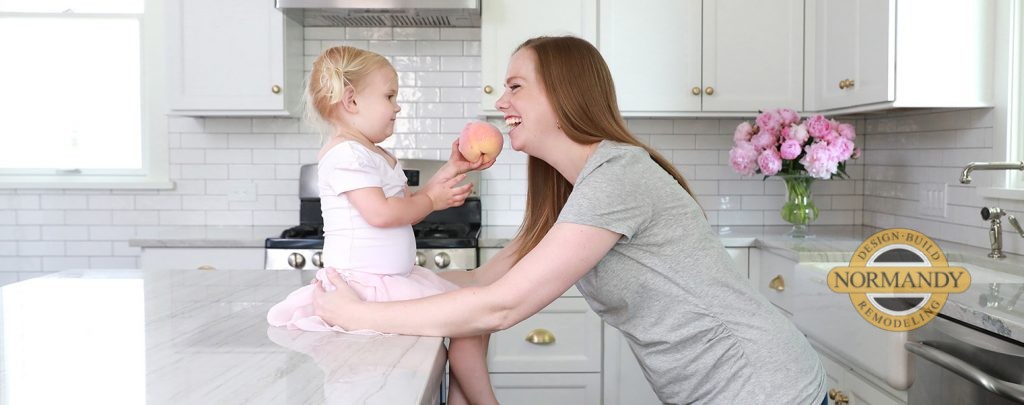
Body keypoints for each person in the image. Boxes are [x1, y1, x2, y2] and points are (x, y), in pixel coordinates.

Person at [310, 36, 828, 404]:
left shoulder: (617, 177)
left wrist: (358, 316)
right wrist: (377, 288)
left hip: (764, 386)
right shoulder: (572, 190)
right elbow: (480, 282)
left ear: (561, 96)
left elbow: (500, 306)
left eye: (515, 87)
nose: (500, 101)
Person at [265, 45, 499, 405]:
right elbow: (382, 213)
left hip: (392, 280)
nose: (398, 106)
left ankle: (461, 399)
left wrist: (450, 170)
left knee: (474, 321)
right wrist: (433, 202)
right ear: (352, 100)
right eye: (390, 95)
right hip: (367, 287)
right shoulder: (346, 154)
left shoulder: (371, 153)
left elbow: (404, 205)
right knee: (470, 321)